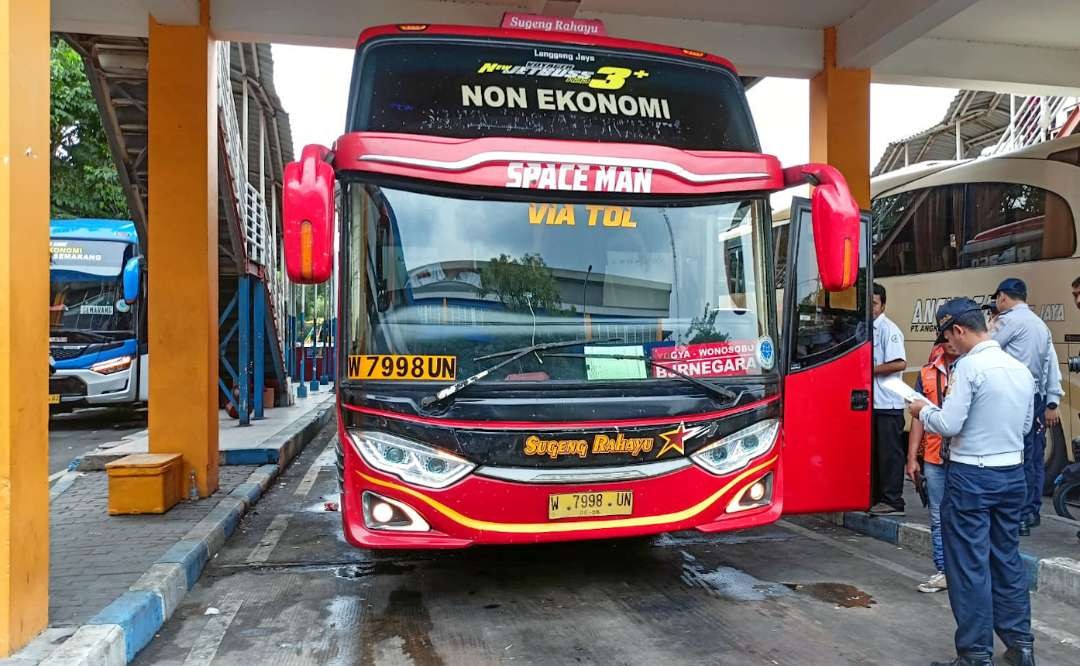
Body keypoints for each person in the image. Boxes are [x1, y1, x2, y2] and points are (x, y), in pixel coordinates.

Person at [910, 298, 1035, 666]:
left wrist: (922, 410)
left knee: (968, 566)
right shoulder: (1019, 369)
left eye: (948, 337)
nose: (948, 345)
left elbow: (948, 425)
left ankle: (976, 655)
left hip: (972, 477)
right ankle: (1020, 647)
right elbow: (1026, 427)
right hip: (1012, 474)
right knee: (1007, 561)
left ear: (959, 330)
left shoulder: (969, 368)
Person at [992, 278, 1063, 535]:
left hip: (1012, 398)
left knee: (1014, 455)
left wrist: (990, 324)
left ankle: (1017, 516)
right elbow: (1050, 366)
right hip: (1035, 398)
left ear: (1002, 297)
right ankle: (1030, 512)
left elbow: (982, 347)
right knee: (1032, 457)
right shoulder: (1040, 325)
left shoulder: (1008, 321)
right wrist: (1052, 399)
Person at [905, 340, 958, 594]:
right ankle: (944, 571)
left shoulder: (972, 368)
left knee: (964, 516)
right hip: (935, 457)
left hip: (964, 459)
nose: (953, 343)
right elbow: (917, 419)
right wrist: (912, 457)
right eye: (947, 337)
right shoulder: (926, 373)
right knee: (937, 516)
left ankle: (963, 571)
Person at [870, 282, 907, 515]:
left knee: (889, 455)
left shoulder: (889, 330)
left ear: (883, 305)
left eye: (874, 303)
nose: (871, 308)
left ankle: (893, 500)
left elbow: (900, 363)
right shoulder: (866, 329)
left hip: (888, 403)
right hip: (872, 404)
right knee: (875, 454)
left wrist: (868, 369)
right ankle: (877, 497)